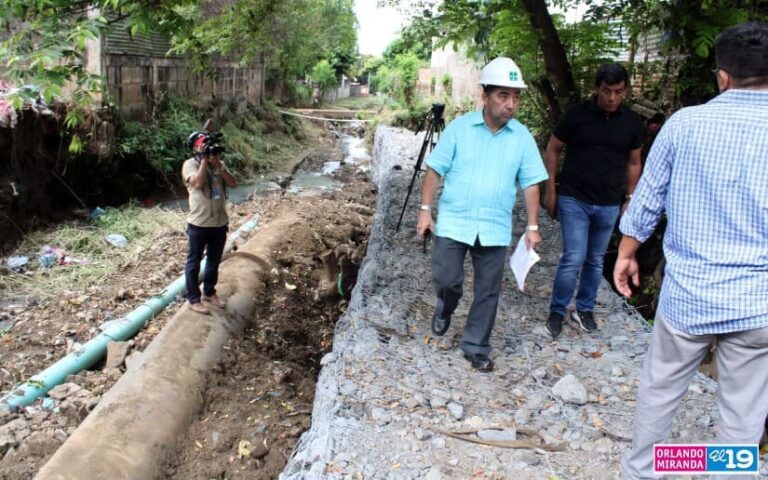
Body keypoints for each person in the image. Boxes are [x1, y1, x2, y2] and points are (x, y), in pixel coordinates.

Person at [614, 21, 768, 478]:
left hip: (689, 297)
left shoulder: (686, 124)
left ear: (722, 76)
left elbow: (646, 201)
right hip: (758, 302)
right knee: (742, 416)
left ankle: (644, 469)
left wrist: (626, 254)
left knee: (660, 390)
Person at [416, 57, 548, 372]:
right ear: (485, 95)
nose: (511, 104)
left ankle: (476, 346)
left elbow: (531, 184)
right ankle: (445, 308)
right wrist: (425, 211)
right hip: (454, 221)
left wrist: (532, 226)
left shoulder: (522, 139)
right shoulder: (460, 130)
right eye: (504, 95)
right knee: (448, 280)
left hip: (494, 226)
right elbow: (434, 170)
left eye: (516, 97)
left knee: (488, 290)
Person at [542, 63, 644, 338]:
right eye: (607, 91)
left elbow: (634, 162)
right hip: (574, 197)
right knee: (573, 257)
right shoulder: (576, 115)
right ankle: (557, 310)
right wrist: (551, 188)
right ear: (597, 88)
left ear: (625, 91)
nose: (612, 98)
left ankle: (585, 308)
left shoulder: (632, 122)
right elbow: (552, 149)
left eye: (618, 92)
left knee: (595, 259)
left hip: (610, 201)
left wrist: (631, 197)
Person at [182, 131, 237, 315]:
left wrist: (219, 166)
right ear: (195, 148)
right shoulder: (189, 164)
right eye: (203, 145)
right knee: (194, 262)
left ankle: (209, 292)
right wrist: (204, 161)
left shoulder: (218, 163)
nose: (208, 148)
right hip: (199, 224)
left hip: (219, 223)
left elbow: (233, 183)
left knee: (213, 261)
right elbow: (197, 183)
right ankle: (193, 299)